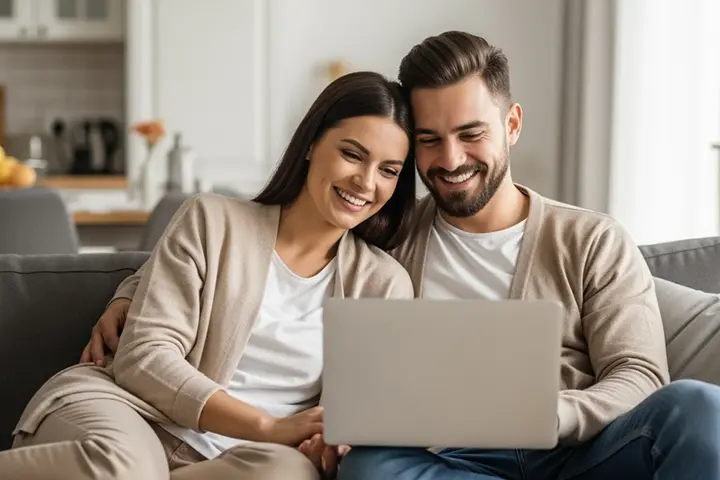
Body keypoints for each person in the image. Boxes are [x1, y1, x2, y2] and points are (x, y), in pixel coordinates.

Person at [78, 31, 720, 479]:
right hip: (443, 461)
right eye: (429, 141)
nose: (450, 160)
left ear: (512, 125)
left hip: (576, 452)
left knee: (698, 406)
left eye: (472, 134)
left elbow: (640, 376)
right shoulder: (385, 238)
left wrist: (547, 414)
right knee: (369, 466)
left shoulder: (592, 239)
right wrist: (132, 290)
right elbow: (256, 238)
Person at [0, 71, 417, 480]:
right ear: (311, 144)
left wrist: (329, 441)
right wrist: (266, 427)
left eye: (389, 170)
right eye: (353, 154)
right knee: (129, 469)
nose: (366, 182)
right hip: (132, 412)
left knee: (288, 474)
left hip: (240, 461)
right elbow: (143, 358)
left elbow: (348, 418)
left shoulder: (383, 285)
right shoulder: (212, 219)